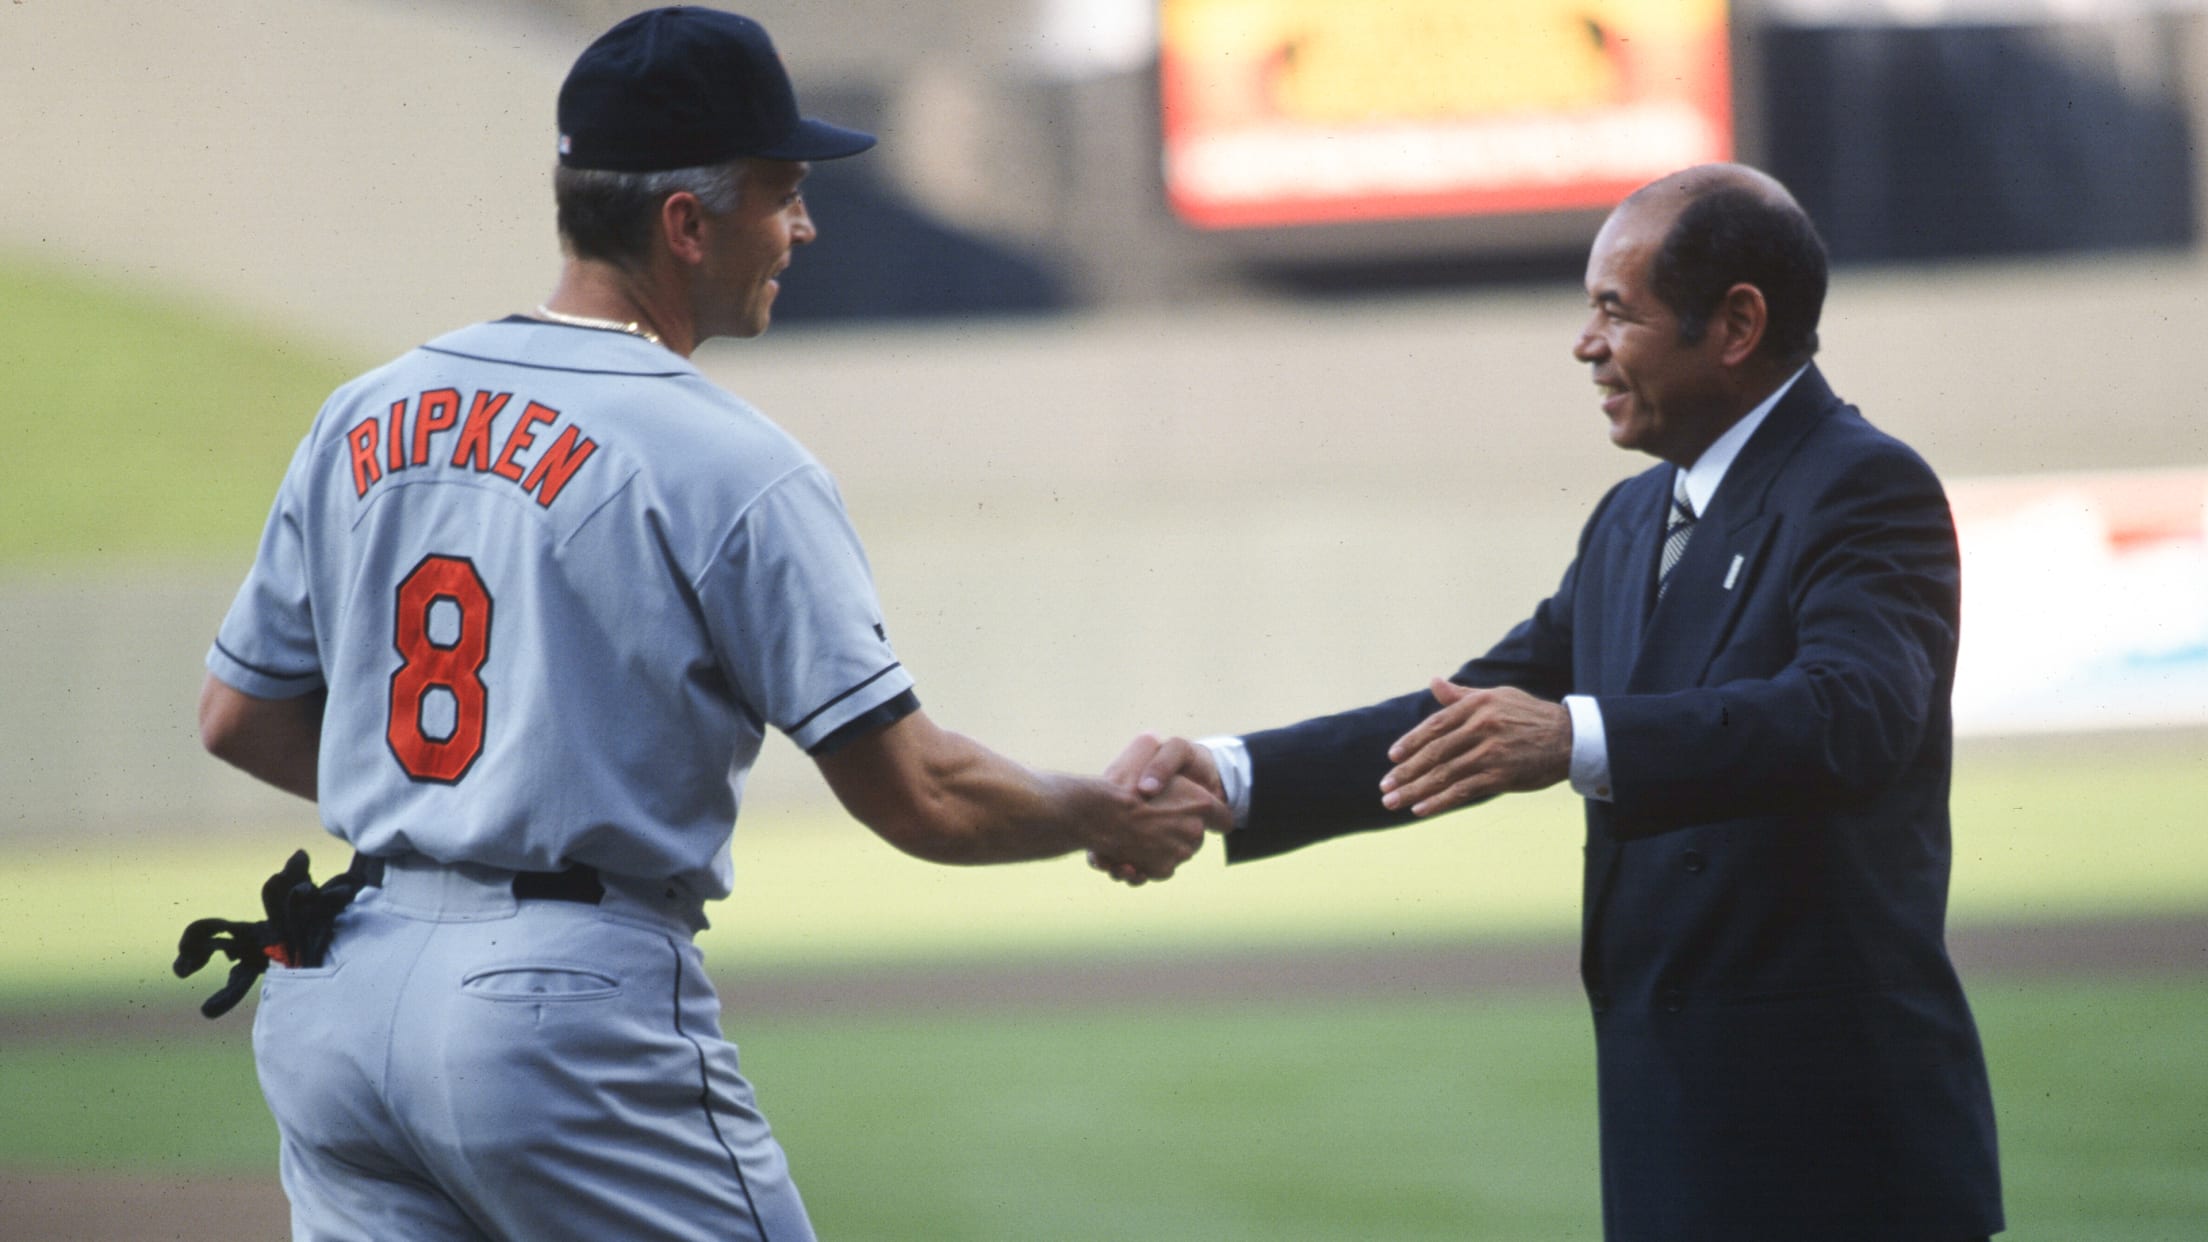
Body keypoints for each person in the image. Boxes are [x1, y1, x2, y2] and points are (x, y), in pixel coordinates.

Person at [192, 9, 1227, 1240]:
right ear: (686, 224)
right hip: (556, 1014)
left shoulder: (367, 410)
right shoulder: (731, 463)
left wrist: (445, 810)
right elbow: (921, 795)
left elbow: (239, 717)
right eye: (780, 194)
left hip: (341, 996)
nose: (803, 226)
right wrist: (1096, 813)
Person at [1108, 164, 2003, 1241]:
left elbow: (1853, 718)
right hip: (1673, 1141)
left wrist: (1576, 735)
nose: (1586, 346)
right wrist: (1236, 775)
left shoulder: (1865, 485)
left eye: (1614, 312)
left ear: (1735, 324)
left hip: (1838, 1161)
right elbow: (1480, 709)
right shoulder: (1629, 522)